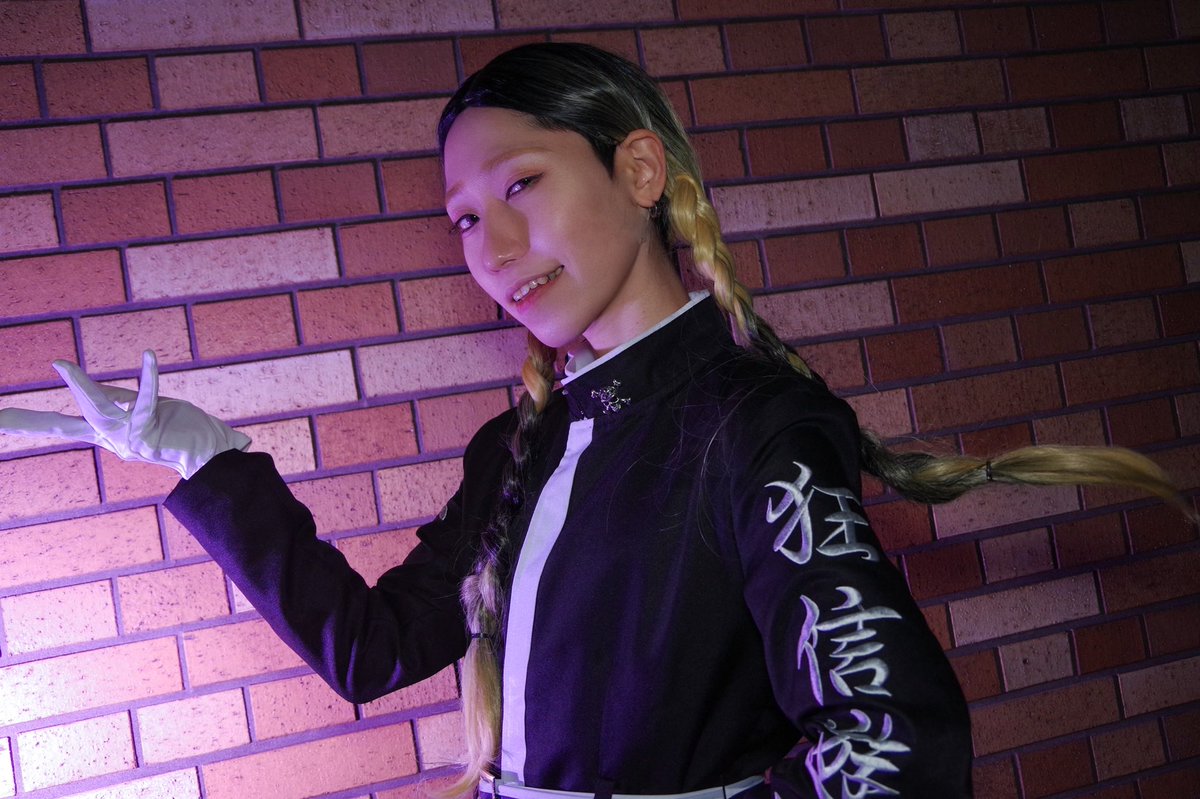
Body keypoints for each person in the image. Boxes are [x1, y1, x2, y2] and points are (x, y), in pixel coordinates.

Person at [0, 43, 1186, 799]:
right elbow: (371, 651)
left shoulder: (756, 423)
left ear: (638, 171)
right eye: (466, 219)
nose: (494, 246)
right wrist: (205, 458)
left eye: (522, 183)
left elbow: (894, 739)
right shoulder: (515, 446)